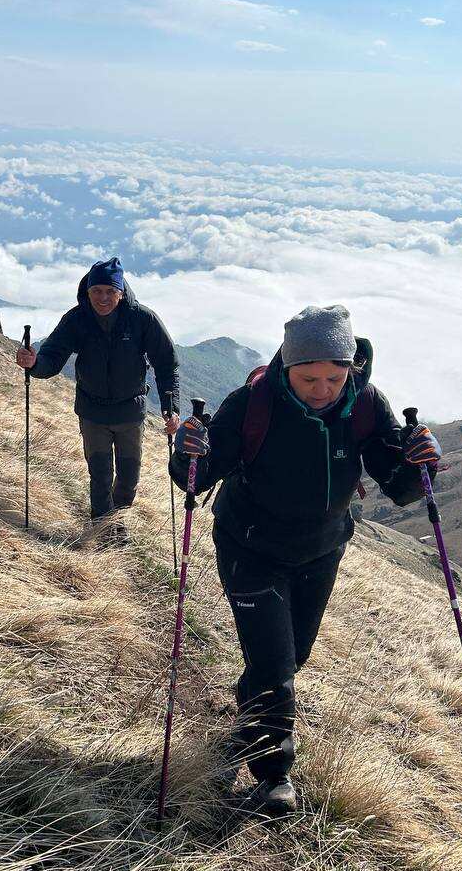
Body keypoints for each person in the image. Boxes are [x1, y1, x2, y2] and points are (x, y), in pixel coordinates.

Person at [170, 304, 442, 817]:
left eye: (334, 378)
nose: (322, 389)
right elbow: (198, 476)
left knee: (291, 655)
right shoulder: (252, 403)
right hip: (249, 546)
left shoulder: (365, 403)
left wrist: (418, 463)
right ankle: (273, 775)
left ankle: (248, 719)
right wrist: (187, 453)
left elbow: (400, 486)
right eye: (308, 378)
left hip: (321, 549)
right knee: (276, 666)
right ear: (286, 366)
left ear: (351, 368)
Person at [16, 257, 180, 543]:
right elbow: (52, 357)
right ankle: (104, 531)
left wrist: (171, 408)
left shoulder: (142, 319)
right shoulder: (77, 319)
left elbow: (167, 364)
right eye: (96, 291)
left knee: (128, 477)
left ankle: (118, 520)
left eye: (109, 291)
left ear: (121, 292)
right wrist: (34, 364)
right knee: (100, 475)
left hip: (130, 412)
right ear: (88, 291)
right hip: (92, 413)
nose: (103, 298)